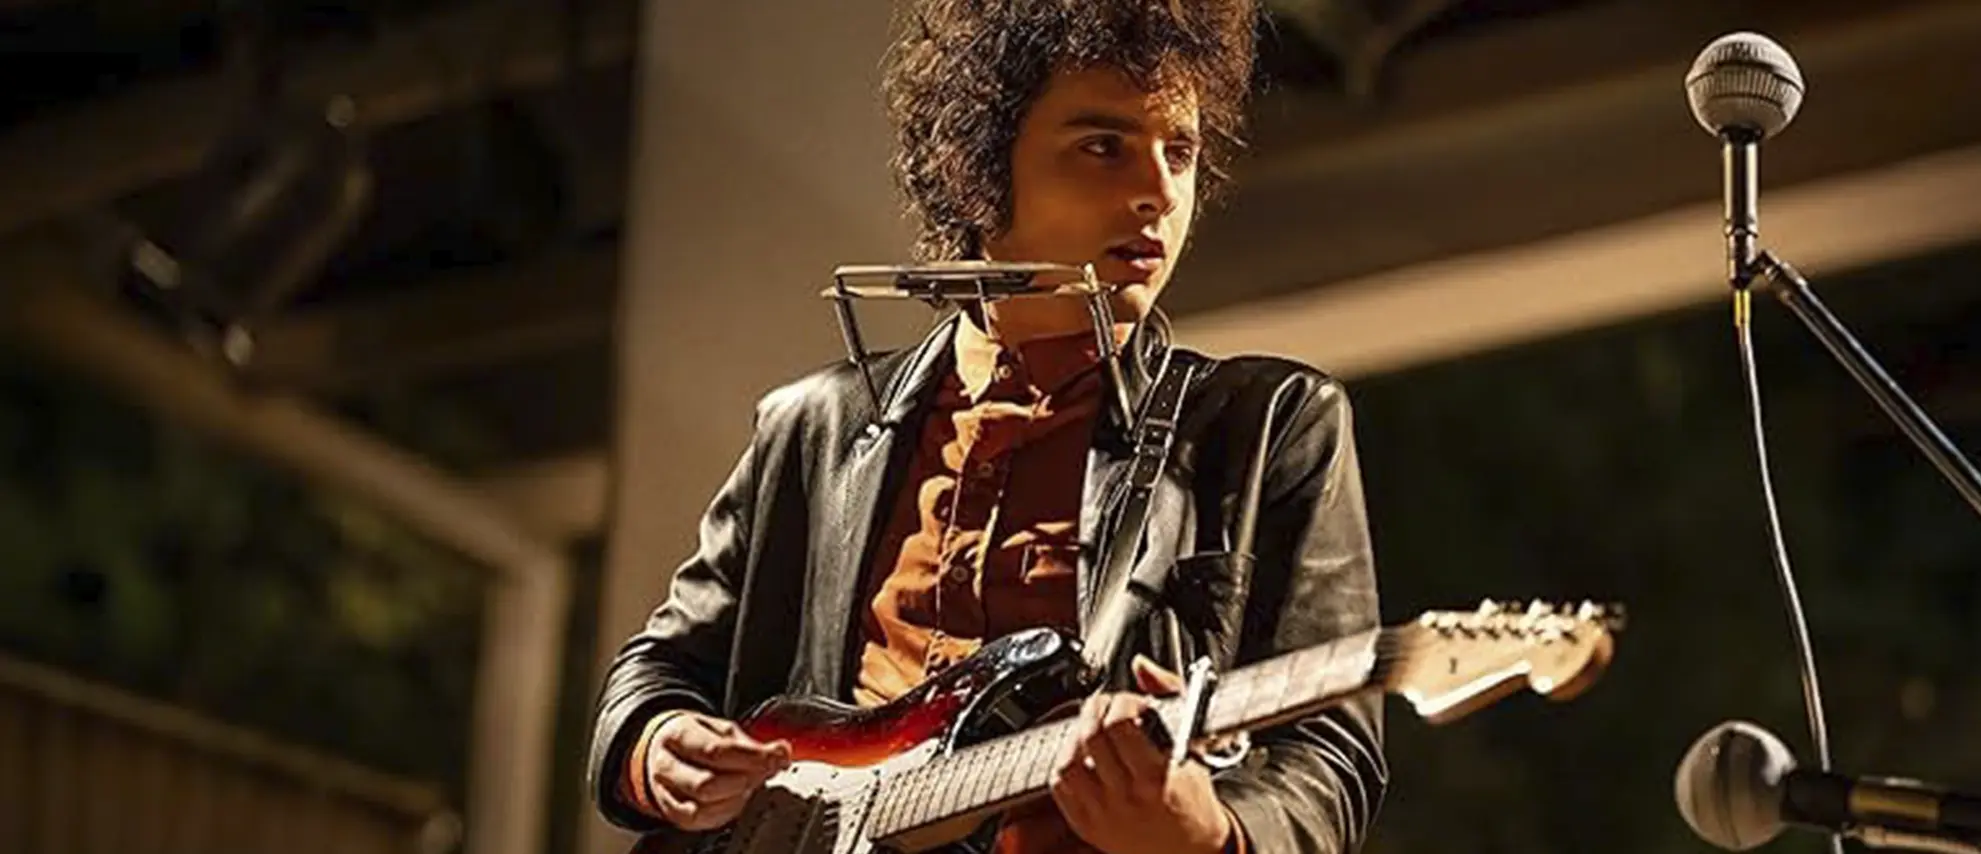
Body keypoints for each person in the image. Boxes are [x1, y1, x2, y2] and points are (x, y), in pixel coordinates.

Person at [585, 0, 1387, 851]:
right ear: (974, 162)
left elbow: (1331, 756)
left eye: (1179, 153)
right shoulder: (814, 425)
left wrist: (1207, 833)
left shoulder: (1268, 426)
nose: (1158, 193)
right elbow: (663, 670)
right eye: (1103, 146)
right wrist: (656, 745)